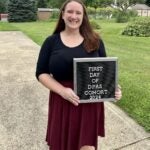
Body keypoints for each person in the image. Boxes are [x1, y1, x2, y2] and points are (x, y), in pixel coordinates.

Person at [36, 0, 122, 150]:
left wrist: (113, 88)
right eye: (70, 11)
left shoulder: (95, 40)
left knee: (86, 146)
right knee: (61, 144)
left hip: (89, 103)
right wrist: (62, 91)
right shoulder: (51, 42)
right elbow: (41, 73)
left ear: (83, 17)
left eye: (78, 13)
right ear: (62, 14)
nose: (73, 16)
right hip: (62, 100)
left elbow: (104, 71)